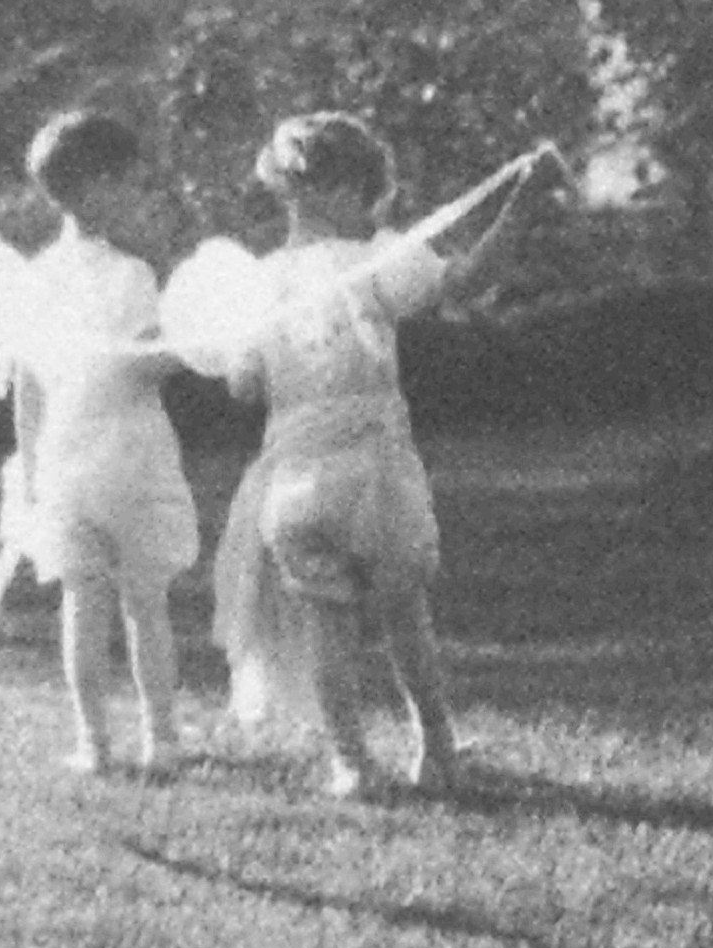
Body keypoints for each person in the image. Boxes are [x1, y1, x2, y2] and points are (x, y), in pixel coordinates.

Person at [188, 112, 533, 797]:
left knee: (326, 624)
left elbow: (243, 385)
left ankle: (351, 761)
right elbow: (466, 279)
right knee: (405, 614)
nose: (376, 214)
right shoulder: (374, 257)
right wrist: (522, 205)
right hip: (375, 475)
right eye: (371, 198)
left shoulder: (259, 282)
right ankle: (435, 747)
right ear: (342, 191)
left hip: (293, 483)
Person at [0, 111, 201, 775]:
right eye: (130, 184)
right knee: (146, 605)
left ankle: (94, 743)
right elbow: (142, 366)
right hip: (129, 452)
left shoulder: (35, 277)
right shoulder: (131, 275)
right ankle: (162, 738)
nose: (138, 198)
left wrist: (32, 472)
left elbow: (28, 388)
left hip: (64, 460)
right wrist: (197, 341)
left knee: (82, 604)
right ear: (100, 186)